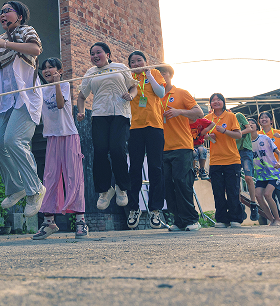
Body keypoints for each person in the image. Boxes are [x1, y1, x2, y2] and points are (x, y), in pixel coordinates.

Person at [0, 1, 45, 217]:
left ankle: (35, 189)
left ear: (20, 16)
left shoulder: (26, 31)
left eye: (7, 10)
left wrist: (6, 45)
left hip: (27, 95)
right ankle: (16, 187)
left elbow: (35, 49)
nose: (3, 14)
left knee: (14, 140)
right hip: (7, 97)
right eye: (1, 11)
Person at [76, 42, 137, 210]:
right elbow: (81, 97)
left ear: (108, 54)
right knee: (101, 151)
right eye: (92, 53)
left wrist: (130, 96)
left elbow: (133, 87)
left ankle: (121, 187)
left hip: (120, 114)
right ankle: (105, 190)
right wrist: (81, 112)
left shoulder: (120, 67)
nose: (95, 56)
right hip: (99, 115)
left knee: (117, 149)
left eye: (98, 52)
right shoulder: (90, 73)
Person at [33, 58, 87, 240]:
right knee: (50, 177)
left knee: (74, 176)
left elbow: (60, 104)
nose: (47, 70)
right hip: (52, 136)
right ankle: (49, 222)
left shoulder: (63, 85)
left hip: (69, 135)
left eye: (51, 67)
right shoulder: (39, 88)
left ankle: (80, 221)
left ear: (60, 70)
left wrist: (56, 84)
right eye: (45, 68)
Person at [158, 65, 205, 232]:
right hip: (161, 148)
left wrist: (179, 111)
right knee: (168, 185)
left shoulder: (181, 93)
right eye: (158, 74)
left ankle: (192, 219)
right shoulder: (154, 95)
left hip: (182, 146)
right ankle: (178, 220)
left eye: (164, 73)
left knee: (182, 182)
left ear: (171, 75)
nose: (161, 76)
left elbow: (199, 113)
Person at [125, 51, 166, 230]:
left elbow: (161, 92)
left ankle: (155, 210)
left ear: (145, 61)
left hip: (155, 126)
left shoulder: (154, 74)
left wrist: (149, 73)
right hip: (134, 127)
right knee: (134, 168)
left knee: (156, 168)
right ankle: (134, 209)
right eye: (132, 62)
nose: (136, 63)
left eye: (139, 60)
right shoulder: (128, 77)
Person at [205, 93, 243, 228]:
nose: (216, 102)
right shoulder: (208, 118)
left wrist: (224, 131)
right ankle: (221, 219)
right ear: (210, 104)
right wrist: (209, 136)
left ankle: (235, 218)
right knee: (218, 191)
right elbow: (201, 134)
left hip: (232, 160)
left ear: (223, 102)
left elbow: (238, 135)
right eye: (213, 100)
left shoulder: (231, 116)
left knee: (233, 190)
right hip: (215, 161)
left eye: (219, 99)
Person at [251, 126, 280, 226]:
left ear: (256, 126)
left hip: (273, 172)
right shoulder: (246, 142)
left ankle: (278, 219)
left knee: (267, 194)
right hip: (261, 175)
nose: (250, 125)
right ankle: (271, 219)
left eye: (252, 123)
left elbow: (279, 152)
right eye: (248, 124)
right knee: (258, 196)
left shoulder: (265, 138)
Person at [236, 115, 259, 222]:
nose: (249, 123)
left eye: (252, 123)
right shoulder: (232, 120)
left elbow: (249, 130)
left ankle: (253, 203)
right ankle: (239, 204)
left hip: (245, 151)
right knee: (236, 180)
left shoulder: (239, 117)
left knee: (249, 178)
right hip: (235, 151)